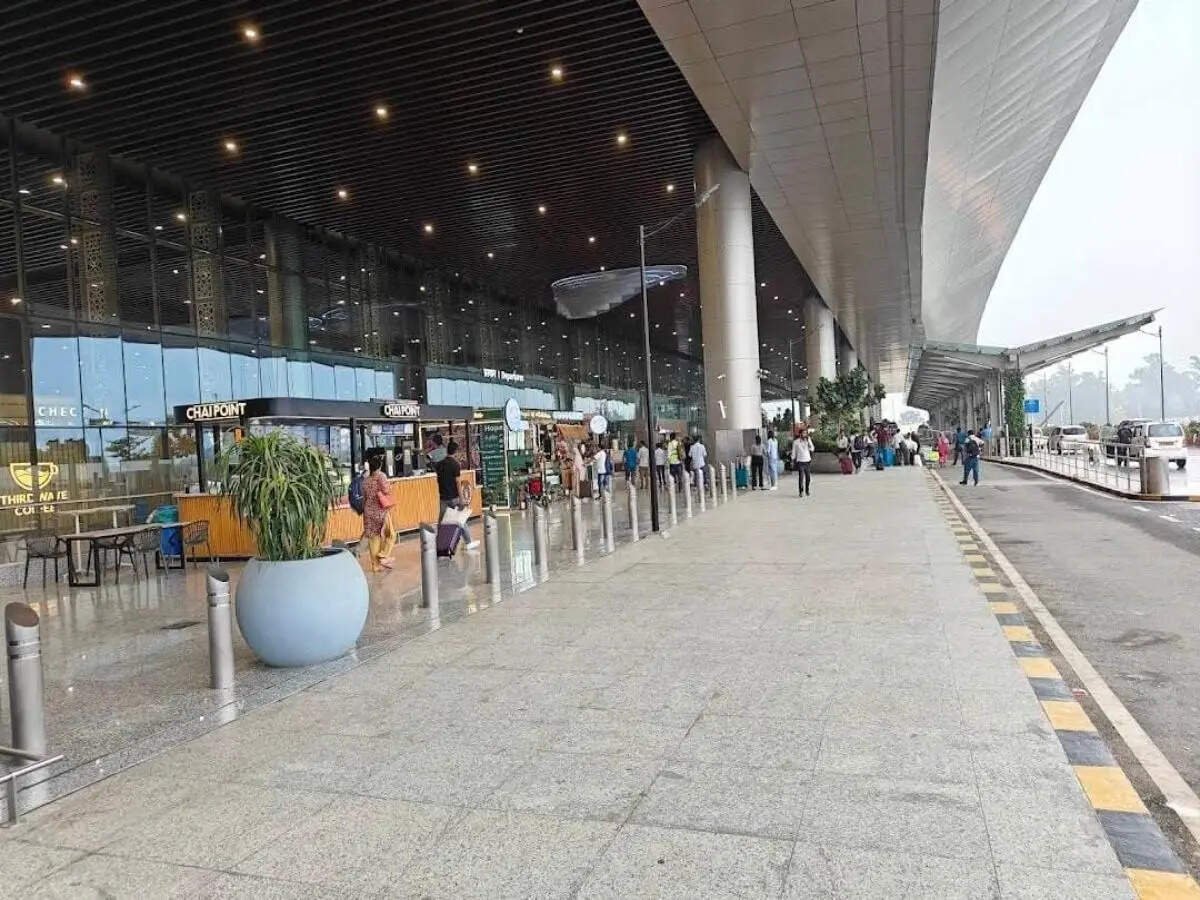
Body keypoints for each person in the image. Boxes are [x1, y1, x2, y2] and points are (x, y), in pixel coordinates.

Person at [435, 440, 478, 550]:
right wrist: (461, 499)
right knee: (460, 519)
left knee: (442, 522)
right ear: (456, 452)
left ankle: (439, 543)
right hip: (454, 497)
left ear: (447, 450)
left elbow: (438, 480)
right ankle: (468, 542)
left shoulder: (439, 465)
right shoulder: (455, 465)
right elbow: (458, 482)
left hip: (443, 498)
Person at [362, 454, 396, 571]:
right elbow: (386, 490)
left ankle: (375, 566)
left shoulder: (366, 480)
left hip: (368, 512)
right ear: (380, 466)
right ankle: (384, 555)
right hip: (380, 511)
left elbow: (365, 497)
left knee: (373, 538)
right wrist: (390, 486)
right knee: (391, 534)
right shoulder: (381, 476)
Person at [791, 425, 814, 497]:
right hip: (800, 461)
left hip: (807, 461)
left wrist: (808, 441)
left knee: (808, 477)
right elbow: (794, 452)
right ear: (800, 434)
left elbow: (812, 448)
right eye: (804, 433)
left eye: (806, 433)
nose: (805, 434)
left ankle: (807, 490)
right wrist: (792, 460)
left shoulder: (808, 440)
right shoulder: (796, 442)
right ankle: (801, 491)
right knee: (801, 477)